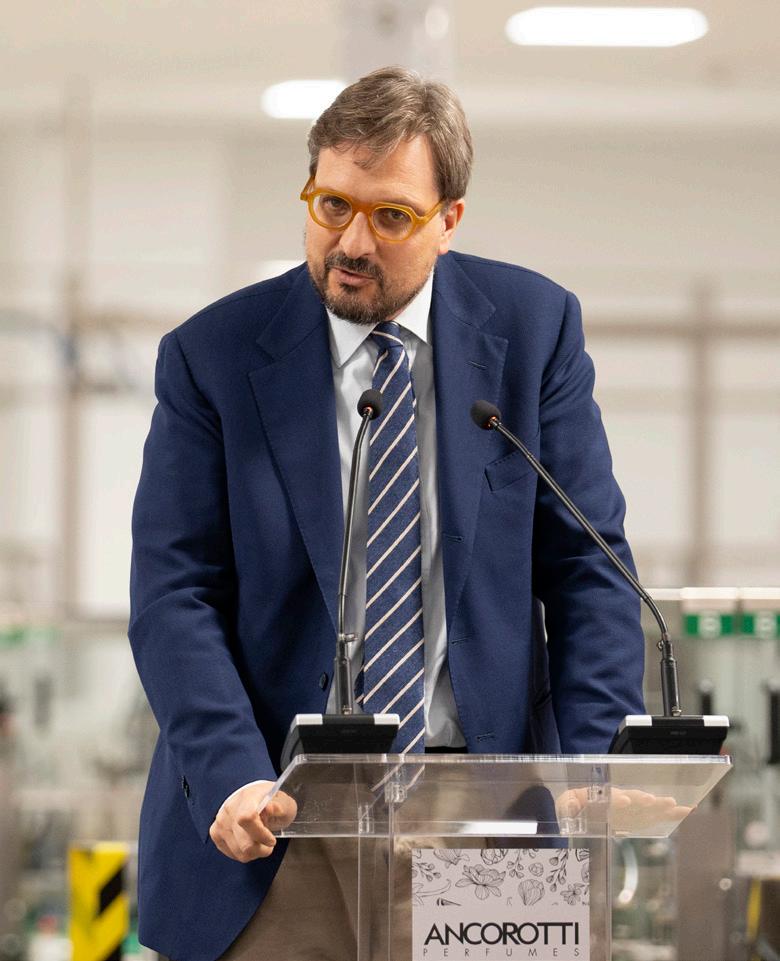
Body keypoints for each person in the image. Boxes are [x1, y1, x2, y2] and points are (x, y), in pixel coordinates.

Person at [129, 65, 645, 961]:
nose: (352, 241)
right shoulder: (211, 355)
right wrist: (232, 774)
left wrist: (593, 766)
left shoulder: (534, 330)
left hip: (488, 817)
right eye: (332, 205)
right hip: (276, 823)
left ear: (450, 220)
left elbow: (590, 569)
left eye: (392, 216)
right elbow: (175, 594)